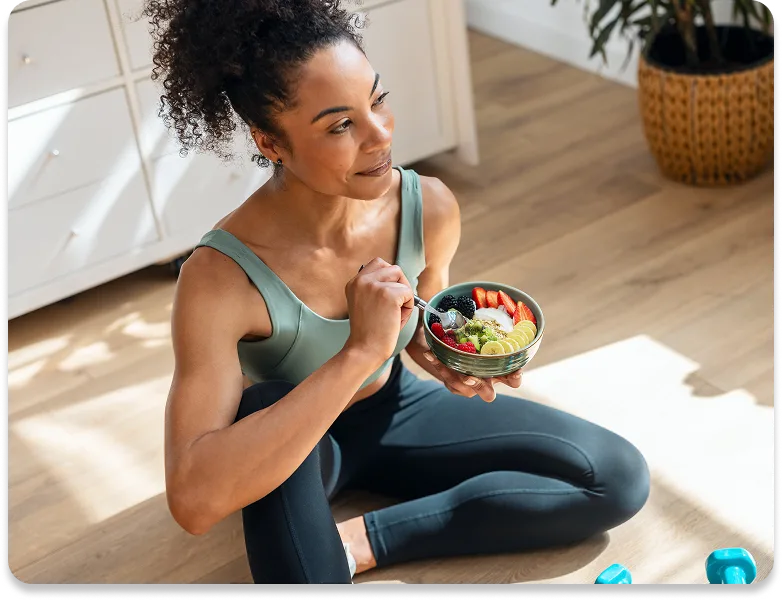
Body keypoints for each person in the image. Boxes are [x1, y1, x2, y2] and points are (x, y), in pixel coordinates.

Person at [144, 0, 651, 585]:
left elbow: (415, 332)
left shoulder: (427, 206)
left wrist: (446, 359)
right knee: (267, 424)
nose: (380, 134)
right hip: (290, 441)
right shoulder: (219, 278)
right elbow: (193, 502)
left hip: (395, 411)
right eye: (340, 125)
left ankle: (360, 542)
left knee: (616, 477)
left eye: (377, 100)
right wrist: (358, 350)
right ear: (271, 142)